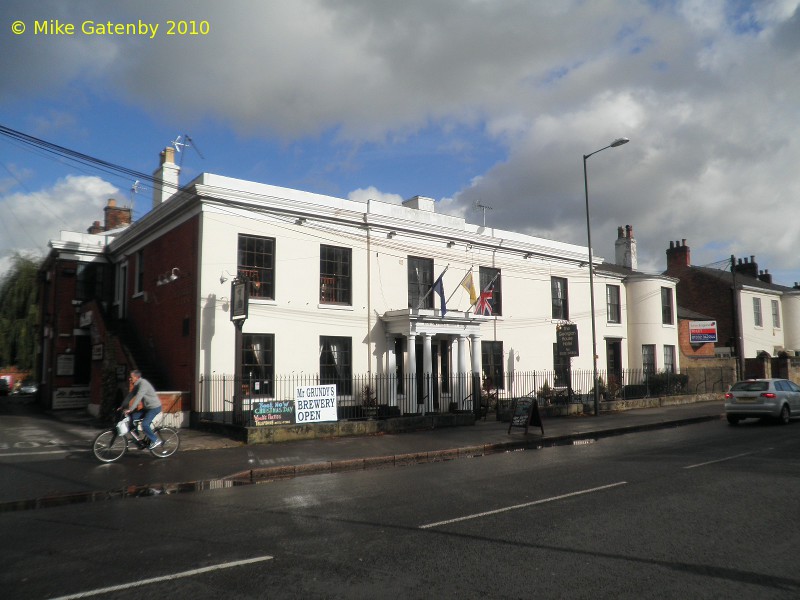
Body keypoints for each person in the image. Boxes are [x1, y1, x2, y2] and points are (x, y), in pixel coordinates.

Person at [122, 370, 163, 448]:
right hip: (147, 408)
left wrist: (130, 409)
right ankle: (137, 438)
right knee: (132, 417)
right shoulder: (137, 385)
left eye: (131, 377)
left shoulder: (143, 384)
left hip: (154, 408)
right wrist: (122, 406)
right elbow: (131, 395)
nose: (129, 379)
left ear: (137, 377)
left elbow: (138, 397)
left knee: (145, 424)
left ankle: (155, 440)